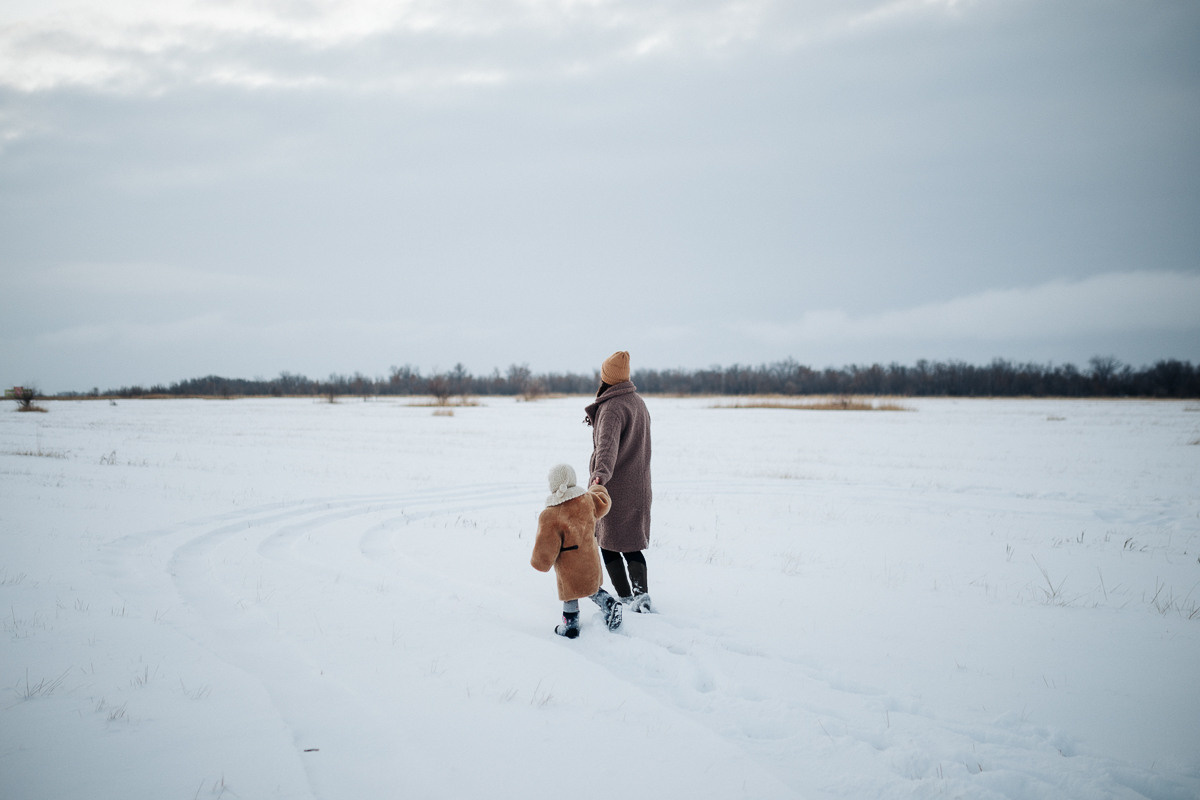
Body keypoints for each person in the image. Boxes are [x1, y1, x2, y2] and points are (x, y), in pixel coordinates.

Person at [584, 350, 654, 613]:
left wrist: (598, 478)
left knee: (609, 544)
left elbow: (606, 447)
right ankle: (641, 596)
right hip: (640, 486)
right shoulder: (637, 402)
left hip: (615, 489)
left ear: (607, 378)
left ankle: (626, 597)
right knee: (632, 544)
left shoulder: (612, 407)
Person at [530, 463, 624, 639]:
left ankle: (571, 626)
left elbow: (546, 545)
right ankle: (610, 604)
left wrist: (540, 562)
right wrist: (597, 486)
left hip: (569, 565)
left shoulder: (550, 514)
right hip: (589, 558)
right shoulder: (587, 500)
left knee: (570, 593)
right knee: (591, 587)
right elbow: (604, 502)